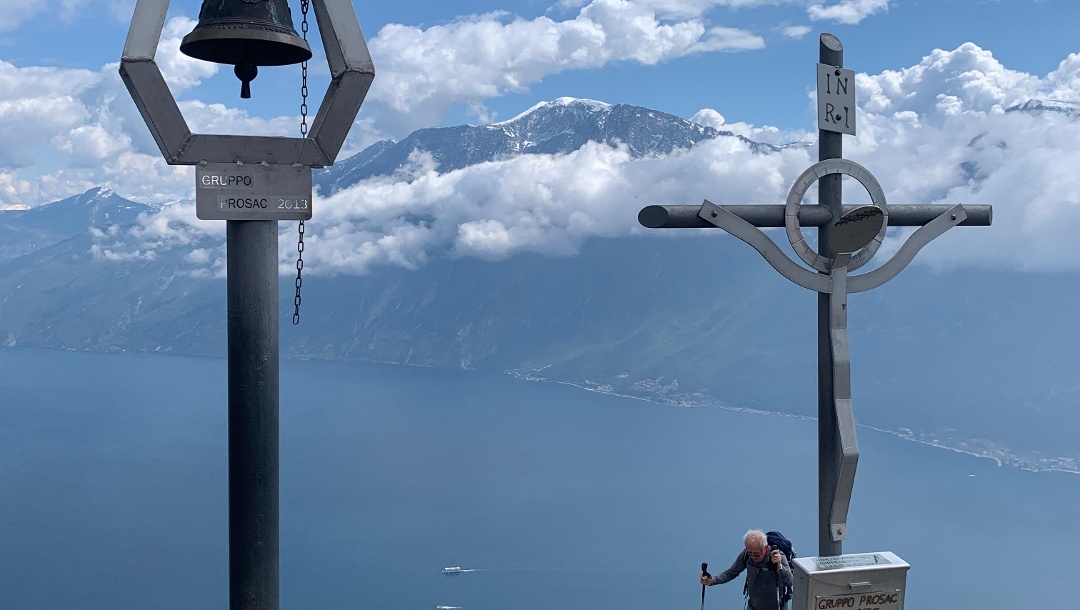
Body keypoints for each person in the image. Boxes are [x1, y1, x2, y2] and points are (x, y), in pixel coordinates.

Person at [700, 529, 793, 610]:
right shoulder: (746, 555)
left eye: (756, 554)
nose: (752, 557)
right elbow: (731, 572)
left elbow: (790, 581)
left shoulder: (777, 557)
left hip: (777, 607)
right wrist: (711, 581)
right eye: (750, 553)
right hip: (753, 606)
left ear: (765, 548)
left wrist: (779, 566)